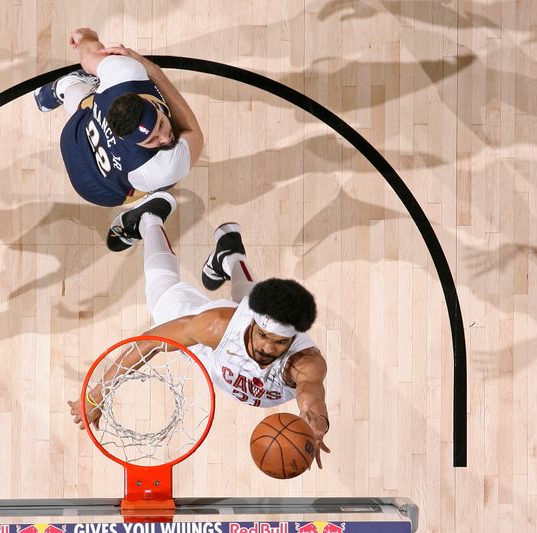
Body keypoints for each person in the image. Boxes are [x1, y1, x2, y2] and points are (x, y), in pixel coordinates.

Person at [67, 193, 331, 468]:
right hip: (214, 346)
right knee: (160, 295)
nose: (267, 348)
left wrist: (317, 422)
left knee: (249, 297)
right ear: (252, 323)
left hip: (239, 332)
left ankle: (229, 254)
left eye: (279, 342)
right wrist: (96, 394)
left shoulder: (304, 363)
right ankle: (149, 217)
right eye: (263, 337)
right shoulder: (215, 325)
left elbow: (310, 395)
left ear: (293, 339)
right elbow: (149, 343)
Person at [34, 28, 204, 246]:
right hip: (98, 186)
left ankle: (60, 90)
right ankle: (64, 89)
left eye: (160, 124)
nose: (164, 137)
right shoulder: (158, 167)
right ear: (129, 141)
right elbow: (194, 134)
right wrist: (153, 71)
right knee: (169, 179)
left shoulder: (124, 73)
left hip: (76, 136)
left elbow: (87, 57)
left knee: (89, 101)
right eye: (151, 140)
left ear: (151, 103)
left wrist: (85, 37)